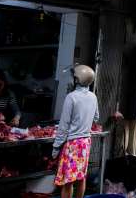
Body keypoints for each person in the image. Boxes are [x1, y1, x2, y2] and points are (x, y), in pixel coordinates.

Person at [53, 65, 99, 198]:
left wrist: (56, 147)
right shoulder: (93, 97)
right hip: (85, 143)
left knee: (68, 181)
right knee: (81, 177)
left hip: (73, 144)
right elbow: (96, 118)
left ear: (77, 80)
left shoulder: (71, 97)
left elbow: (63, 125)